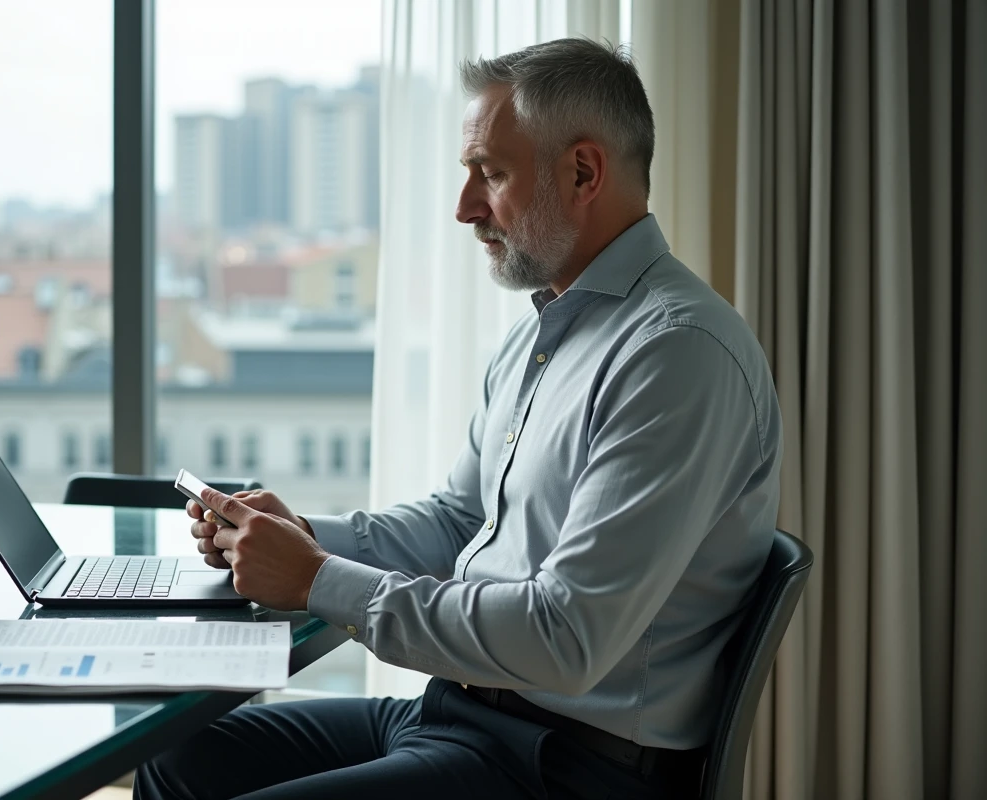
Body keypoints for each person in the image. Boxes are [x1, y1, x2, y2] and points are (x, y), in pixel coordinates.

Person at [135, 37, 781, 800]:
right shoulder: (546, 333)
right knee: (176, 758)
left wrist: (315, 580)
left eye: (492, 173)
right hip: (463, 714)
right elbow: (458, 521)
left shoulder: (676, 357)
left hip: (569, 765)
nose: (465, 207)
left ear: (583, 172)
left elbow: (565, 639)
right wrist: (305, 538)